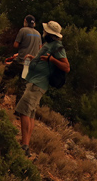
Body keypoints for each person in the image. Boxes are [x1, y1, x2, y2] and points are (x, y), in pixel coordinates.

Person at [14, 20, 69, 157]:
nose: (43, 33)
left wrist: (52, 59)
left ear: (50, 34)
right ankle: (25, 145)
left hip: (38, 84)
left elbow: (66, 67)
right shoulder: (49, 44)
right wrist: (34, 58)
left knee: (24, 111)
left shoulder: (57, 47)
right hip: (34, 81)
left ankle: (25, 146)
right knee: (30, 113)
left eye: (45, 32)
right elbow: (44, 60)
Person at [0, 15, 41, 99]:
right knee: (22, 86)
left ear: (25, 21)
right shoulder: (38, 34)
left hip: (20, 61)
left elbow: (16, 45)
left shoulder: (23, 30)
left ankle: (1, 96)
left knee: (7, 75)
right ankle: (18, 109)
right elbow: (39, 49)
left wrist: (20, 52)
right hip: (29, 64)